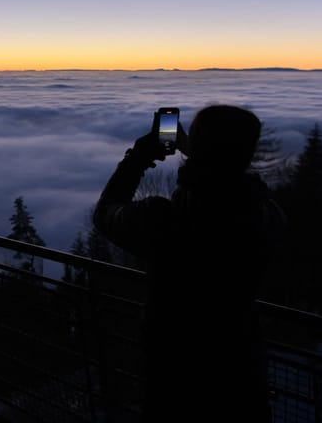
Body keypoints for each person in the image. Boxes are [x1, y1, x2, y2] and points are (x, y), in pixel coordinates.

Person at [93, 104, 285, 422]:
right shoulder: (268, 217)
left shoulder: (164, 221)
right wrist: (199, 154)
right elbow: (229, 188)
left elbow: (105, 213)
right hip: (240, 373)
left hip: (175, 375)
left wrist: (138, 158)